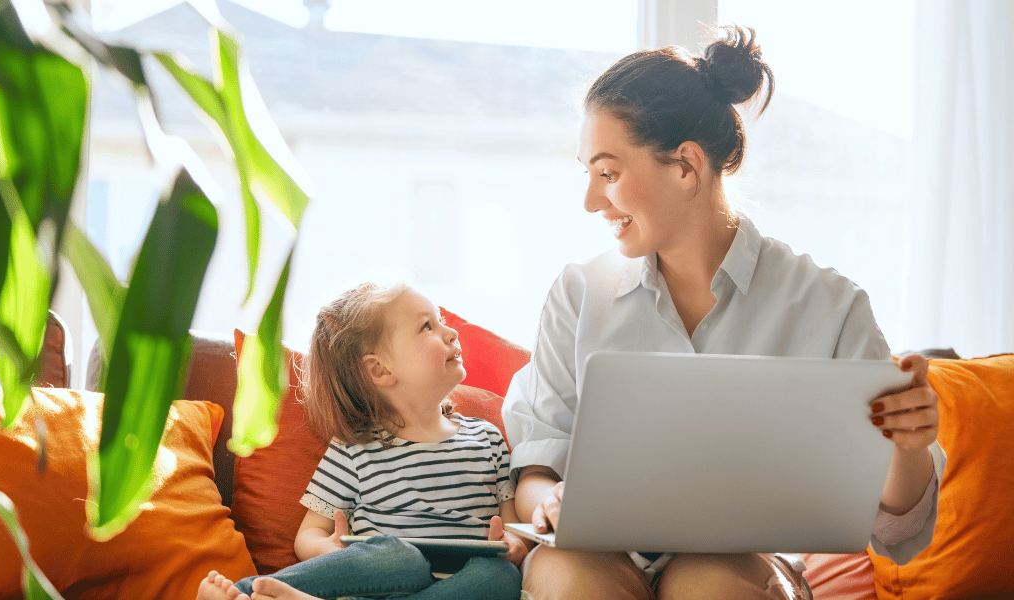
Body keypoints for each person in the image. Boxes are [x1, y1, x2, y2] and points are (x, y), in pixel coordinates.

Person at [500, 25, 946, 600]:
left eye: (608, 174)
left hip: (744, 569)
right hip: (596, 559)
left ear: (686, 166)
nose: (591, 201)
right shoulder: (578, 294)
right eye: (588, 174)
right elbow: (535, 469)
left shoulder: (829, 305)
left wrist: (906, 445)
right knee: (570, 574)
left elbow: (900, 526)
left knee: (706, 583)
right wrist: (552, 502)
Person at [198, 283, 527, 600]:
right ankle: (249, 592)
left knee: (501, 575)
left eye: (440, 320)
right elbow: (308, 536)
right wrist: (329, 548)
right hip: (382, 583)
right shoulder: (354, 450)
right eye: (428, 326)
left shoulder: (488, 438)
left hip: (459, 587)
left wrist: (513, 546)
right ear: (380, 370)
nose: (451, 332)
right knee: (400, 558)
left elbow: (515, 528)